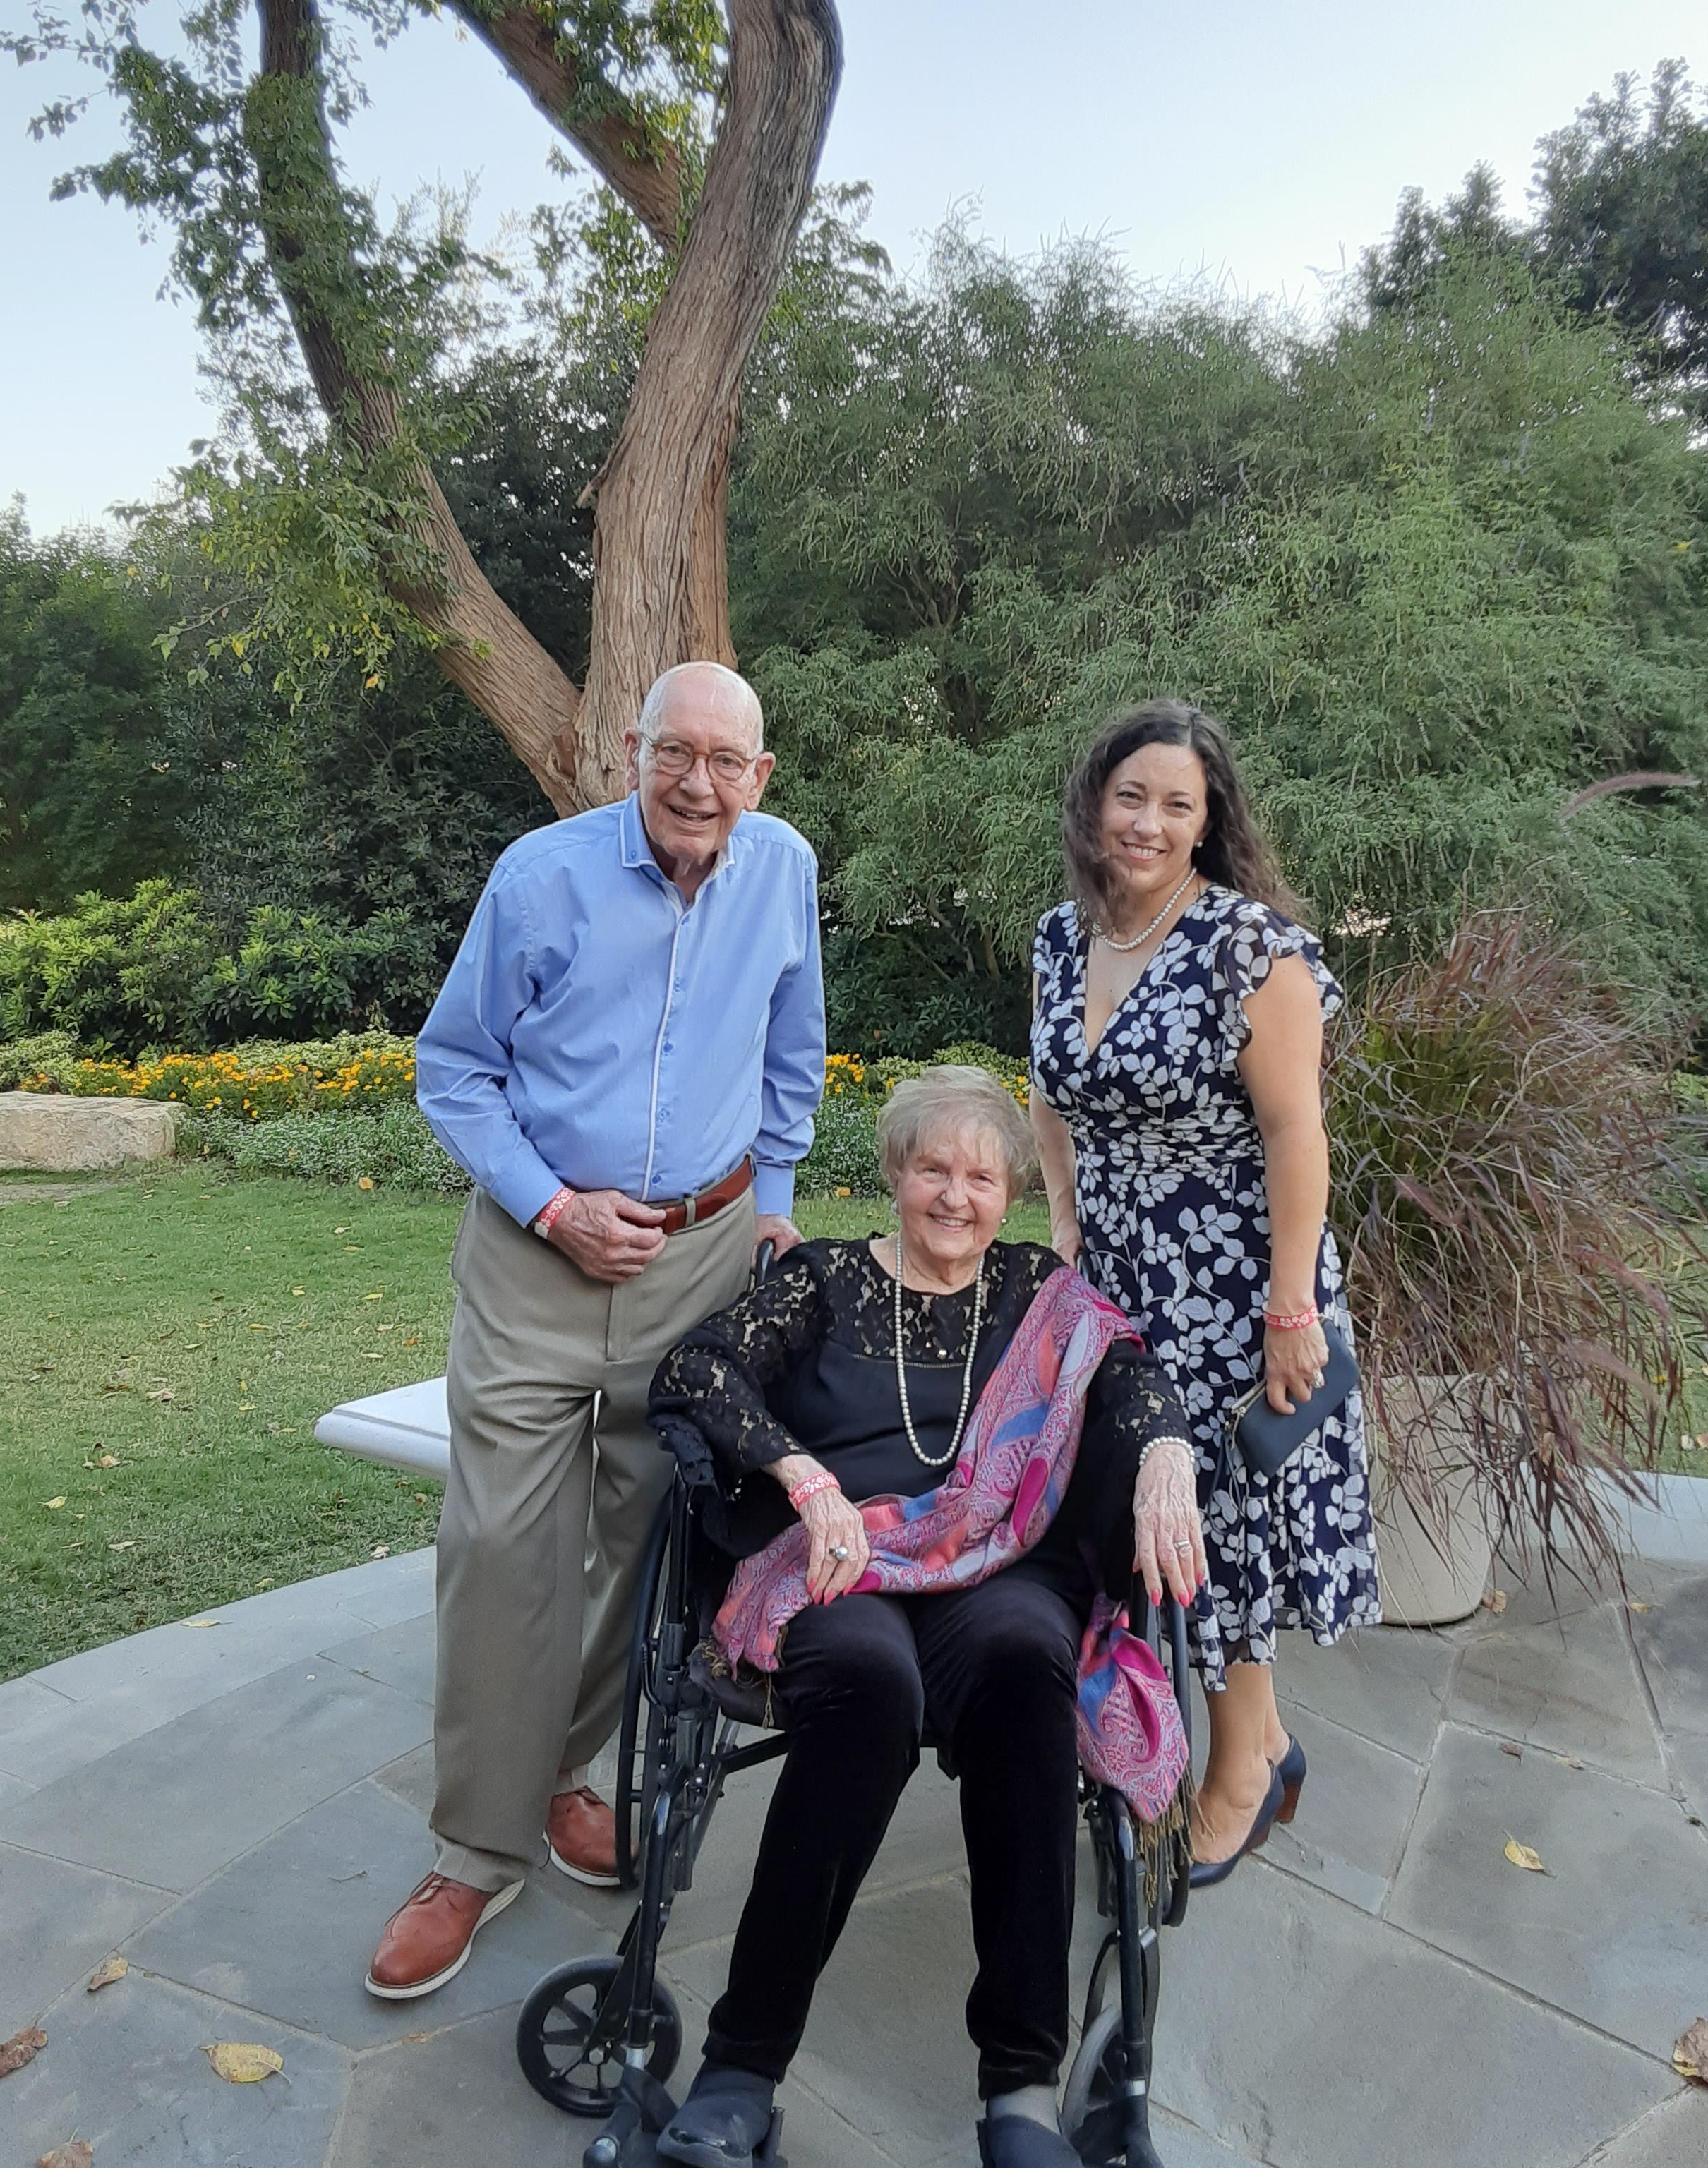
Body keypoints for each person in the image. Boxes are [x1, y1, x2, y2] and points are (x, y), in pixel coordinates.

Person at [365, 661, 825, 2002]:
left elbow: (792, 1051)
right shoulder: (542, 878)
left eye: (726, 761)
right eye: (674, 752)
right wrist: (557, 1208)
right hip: (538, 1261)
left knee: (643, 1541)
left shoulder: (783, 871)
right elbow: (454, 1069)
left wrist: (774, 1201)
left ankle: (563, 1774)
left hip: (703, 1262)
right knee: (502, 1541)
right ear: (633, 753)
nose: (698, 783)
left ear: (760, 776)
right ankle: (474, 1850)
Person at [646, 1065, 1203, 2168]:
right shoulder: (824, 1282)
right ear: (896, 1173)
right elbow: (699, 1372)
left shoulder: (1038, 1292)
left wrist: (1166, 1452)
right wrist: (804, 1477)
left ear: (1011, 1195)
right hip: (843, 1566)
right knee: (867, 1688)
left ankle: (1020, 2091)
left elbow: (1131, 1378)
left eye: (982, 1178)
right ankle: (741, 2070)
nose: (956, 1196)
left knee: (1026, 1662)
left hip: (1001, 1575)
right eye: (934, 1169)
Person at [1029, 699, 1380, 1889]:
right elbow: (1049, 1090)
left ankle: (1241, 1770)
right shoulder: (1061, 938)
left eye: (1177, 804)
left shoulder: (1249, 948)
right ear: (1095, 801)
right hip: (1121, 1277)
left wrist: (1291, 1310)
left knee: (1224, 1519)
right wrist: (1066, 1222)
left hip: (1235, 1281)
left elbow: (1295, 1134)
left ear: (1208, 820)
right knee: (1146, 1509)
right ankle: (1260, 1742)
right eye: (1131, 795)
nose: (1148, 821)